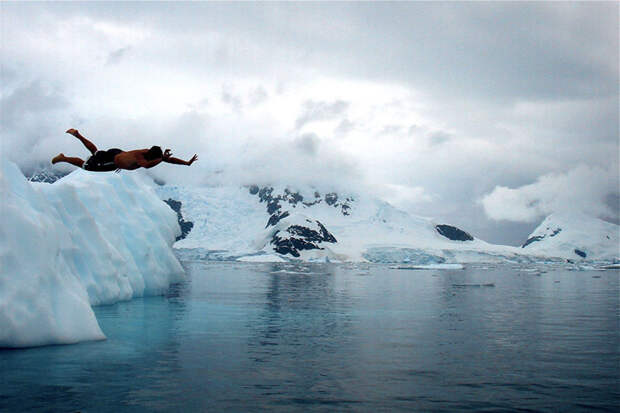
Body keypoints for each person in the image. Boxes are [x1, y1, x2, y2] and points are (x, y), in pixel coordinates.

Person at [51, 129, 198, 172]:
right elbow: (146, 166)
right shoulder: (142, 158)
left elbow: (170, 160)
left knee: (96, 152)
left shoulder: (146, 152)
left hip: (117, 152)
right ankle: (63, 158)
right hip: (112, 162)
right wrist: (161, 159)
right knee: (86, 166)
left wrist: (187, 163)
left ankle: (78, 135)